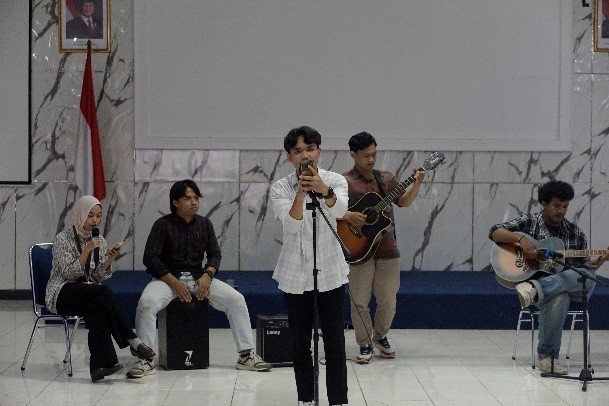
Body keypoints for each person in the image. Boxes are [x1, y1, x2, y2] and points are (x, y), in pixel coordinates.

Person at [127, 179, 271, 378]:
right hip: (167, 279)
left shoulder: (205, 224)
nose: (194, 202)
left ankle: (246, 355)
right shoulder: (163, 225)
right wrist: (174, 282)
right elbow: (150, 259)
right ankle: (145, 360)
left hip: (198, 278)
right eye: (188, 198)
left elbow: (215, 254)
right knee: (147, 303)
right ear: (175, 202)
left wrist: (207, 275)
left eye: (196, 198)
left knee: (236, 300)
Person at [489, 180, 609, 374]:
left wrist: (600, 260)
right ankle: (548, 358)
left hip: (549, 288)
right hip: (546, 292)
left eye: (565, 206)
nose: (561, 211)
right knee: (560, 297)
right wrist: (521, 239)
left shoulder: (575, 233)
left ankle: (535, 289)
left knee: (588, 275)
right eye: (556, 206)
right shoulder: (529, 222)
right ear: (544, 204)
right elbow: (495, 232)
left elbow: (583, 270)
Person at [270, 126, 349, 406]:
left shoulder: (335, 180)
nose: (305, 155)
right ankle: (305, 398)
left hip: (330, 271)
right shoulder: (281, 187)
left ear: (319, 151)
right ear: (289, 156)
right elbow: (291, 227)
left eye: (310, 149)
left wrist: (322, 189)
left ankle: (337, 400)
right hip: (295, 273)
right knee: (300, 343)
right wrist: (301, 194)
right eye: (298, 151)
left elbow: (341, 211)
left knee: (335, 342)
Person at [45, 195, 155, 382]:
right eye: (90, 216)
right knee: (104, 293)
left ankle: (101, 366)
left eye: (98, 216)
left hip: (87, 292)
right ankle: (133, 340)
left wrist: (109, 259)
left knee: (99, 310)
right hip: (62, 292)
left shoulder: (99, 240)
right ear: (80, 215)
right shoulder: (63, 239)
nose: (95, 221)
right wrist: (87, 250)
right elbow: (68, 274)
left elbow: (96, 277)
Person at [341, 132, 425, 364]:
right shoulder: (343, 181)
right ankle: (364, 343)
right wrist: (350, 216)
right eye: (366, 155)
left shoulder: (386, 178)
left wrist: (416, 183)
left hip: (387, 248)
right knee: (359, 300)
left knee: (388, 299)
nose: (371, 160)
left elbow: (403, 201)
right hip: (357, 247)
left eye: (374, 154)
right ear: (353, 155)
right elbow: (332, 209)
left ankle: (380, 336)